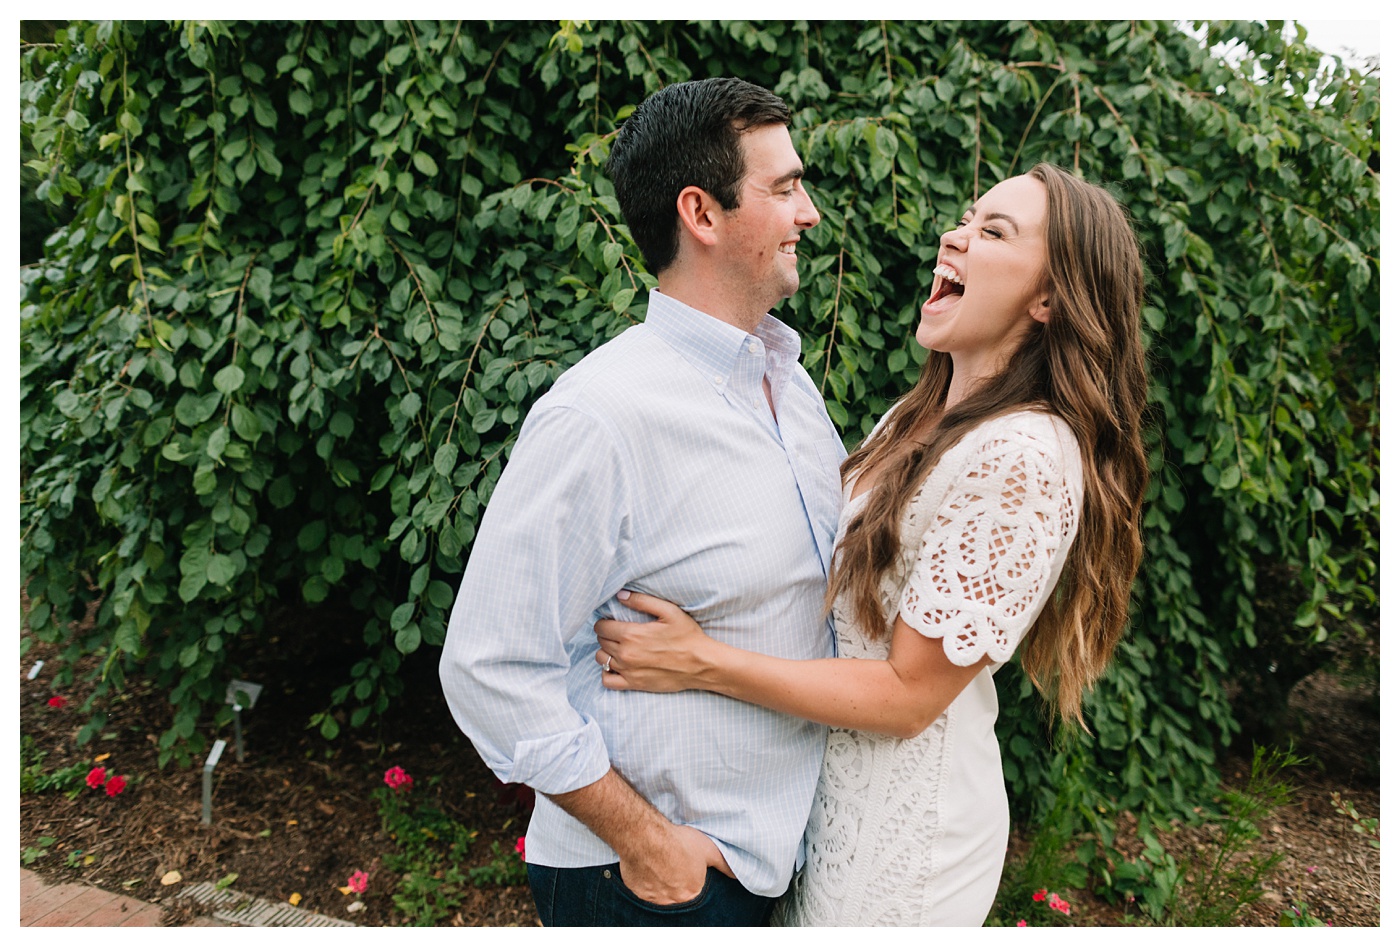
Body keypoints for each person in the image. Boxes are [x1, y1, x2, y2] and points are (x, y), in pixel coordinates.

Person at [594, 163, 1150, 926]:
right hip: (825, 800)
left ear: (1051, 298)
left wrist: (702, 661)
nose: (955, 235)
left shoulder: (1023, 455)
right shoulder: (912, 419)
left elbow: (909, 695)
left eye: (993, 233)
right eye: (966, 216)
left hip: (905, 837)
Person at [438, 77, 845, 926]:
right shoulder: (601, 415)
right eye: (784, 187)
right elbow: (489, 662)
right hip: (652, 885)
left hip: (768, 862)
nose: (807, 213)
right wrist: (648, 842)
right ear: (701, 213)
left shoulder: (792, 388)